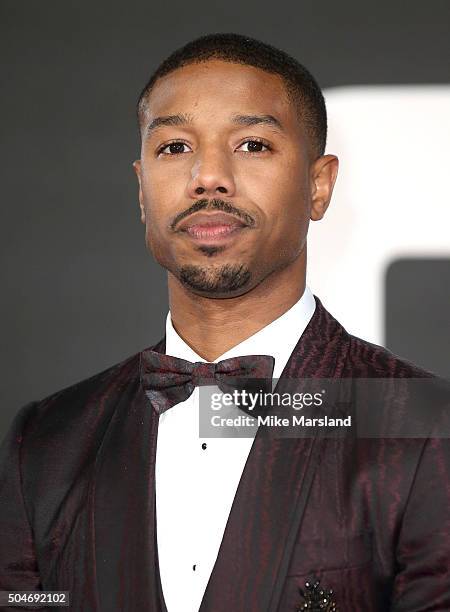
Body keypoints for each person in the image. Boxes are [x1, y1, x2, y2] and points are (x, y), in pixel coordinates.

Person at [0, 32, 449, 612]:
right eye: (174, 147)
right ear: (141, 190)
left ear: (319, 184)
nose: (208, 177)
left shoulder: (422, 425)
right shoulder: (46, 441)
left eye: (253, 144)